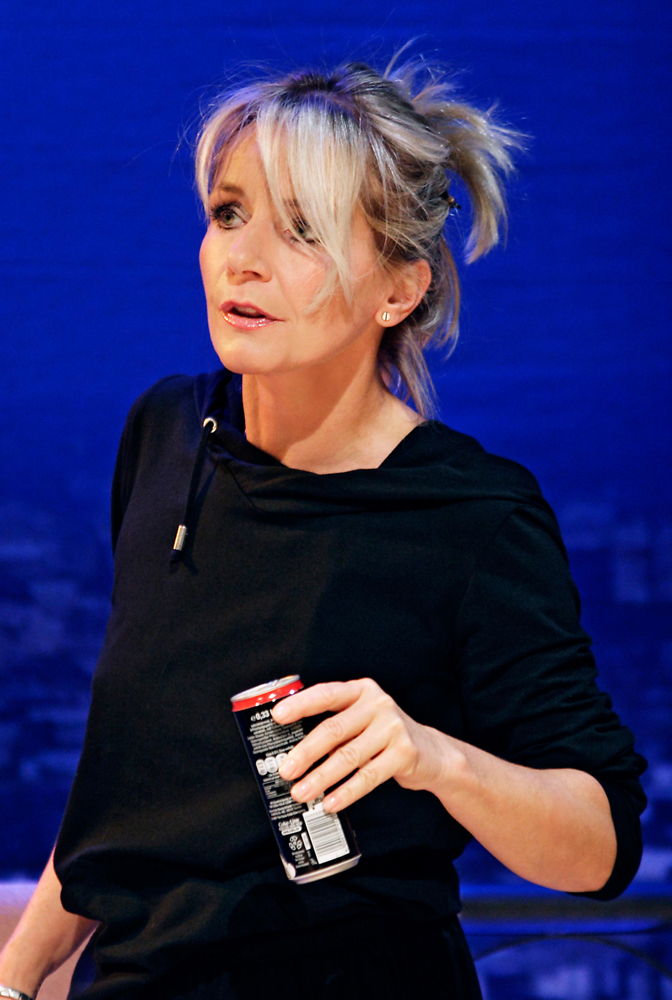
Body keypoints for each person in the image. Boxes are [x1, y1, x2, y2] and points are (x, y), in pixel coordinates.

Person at [0, 58, 646, 1000]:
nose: (243, 258)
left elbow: (601, 844)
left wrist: (434, 757)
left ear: (399, 291)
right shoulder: (166, 435)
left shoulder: (472, 516)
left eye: (302, 229)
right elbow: (132, 785)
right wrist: (17, 976)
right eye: (229, 213)